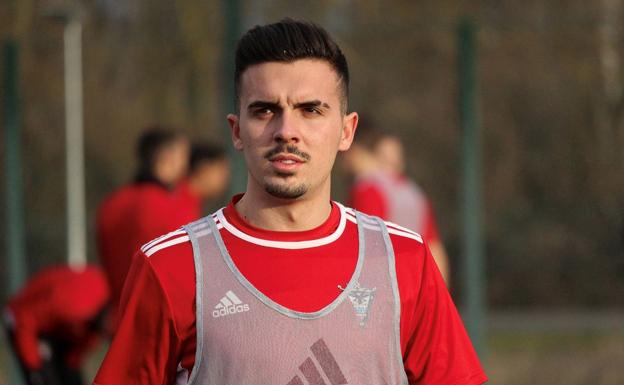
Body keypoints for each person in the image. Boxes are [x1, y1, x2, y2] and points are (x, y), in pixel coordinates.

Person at [94, 19, 487, 385]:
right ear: (237, 130)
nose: (287, 131)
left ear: (346, 131)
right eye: (265, 111)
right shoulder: (170, 266)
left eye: (310, 110)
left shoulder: (404, 259)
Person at [96, 127, 190, 326]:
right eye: (182, 157)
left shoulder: (112, 203)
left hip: (119, 318)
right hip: (157, 320)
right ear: (167, 158)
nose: (184, 167)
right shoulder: (169, 207)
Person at [343, 122, 450, 283]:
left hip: (388, 293)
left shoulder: (366, 190)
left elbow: (367, 252)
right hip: (415, 289)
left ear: (353, 150)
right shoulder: (413, 191)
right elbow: (435, 251)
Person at [2, 265, 109, 385]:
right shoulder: (76, 307)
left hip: (57, 329)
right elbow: (25, 320)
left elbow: (72, 359)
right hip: (23, 319)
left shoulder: (95, 319)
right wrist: (34, 367)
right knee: (44, 378)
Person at [175, 142, 230, 221]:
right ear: (204, 168)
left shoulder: (192, 202)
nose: (225, 177)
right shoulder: (181, 206)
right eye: (221, 170)